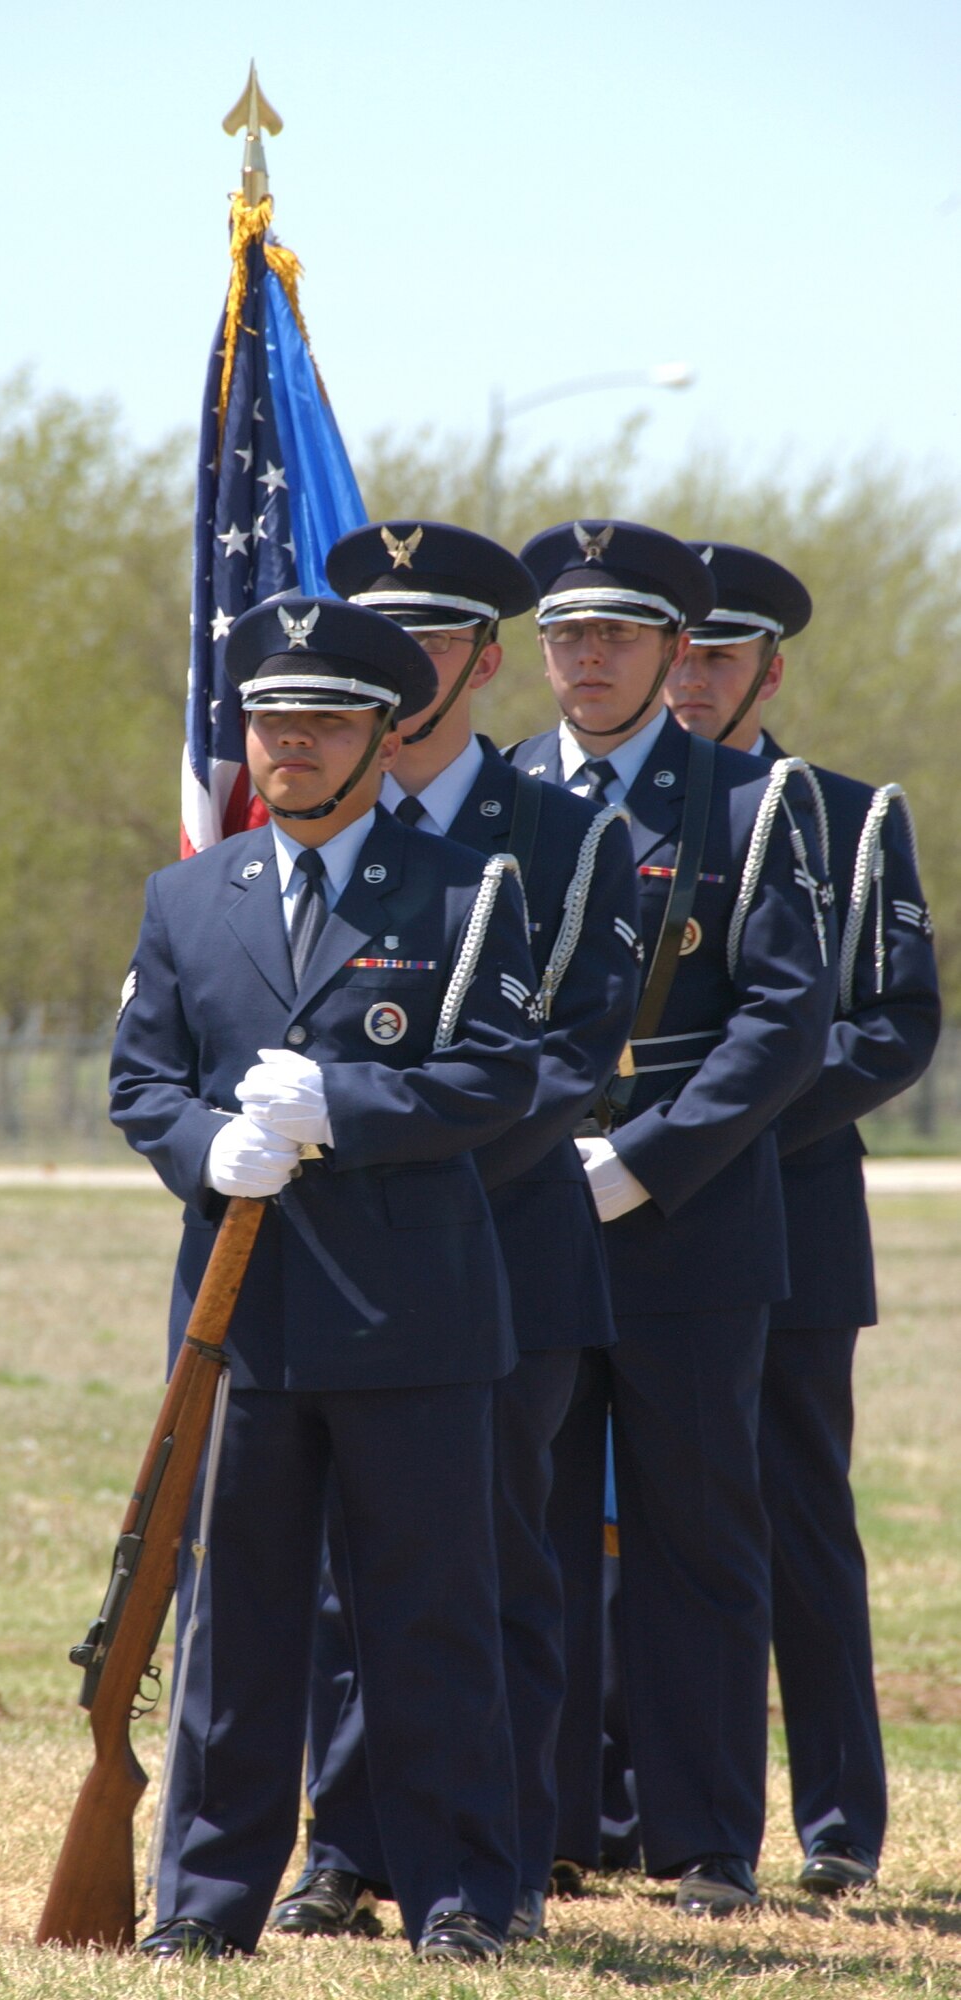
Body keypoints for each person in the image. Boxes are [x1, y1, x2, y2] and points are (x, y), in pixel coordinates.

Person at [111, 593, 544, 1964]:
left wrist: (344, 1106)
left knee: (430, 1621)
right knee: (233, 1625)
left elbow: (497, 1075)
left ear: (385, 732)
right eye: (267, 719)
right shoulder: (190, 896)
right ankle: (204, 1902)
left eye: (320, 721)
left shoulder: (469, 890)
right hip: (239, 1324)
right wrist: (207, 1146)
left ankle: (461, 1896)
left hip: (411, 1316)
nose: (286, 743)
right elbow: (140, 1081)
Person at [267, 520, 640, 1947]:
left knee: (484, 1572)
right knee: (333, 1583)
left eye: (432, 639)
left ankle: (499, 1859)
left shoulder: (562, 833)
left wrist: (393, 1162)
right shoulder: (313, 834)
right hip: (330, 1267)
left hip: (498, 1250)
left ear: (488, 661)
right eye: (375, 640)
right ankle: (342, 1849)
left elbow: (561, 1059)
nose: (401, 664)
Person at [507, 518, 837, 1916]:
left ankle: (706, 1843)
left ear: (671, 652)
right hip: (526, 1212)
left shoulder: (753, 806)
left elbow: (787, 1019)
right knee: (526, 1532)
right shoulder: (498, 793)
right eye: (567, 636)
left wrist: (640, 1160)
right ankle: (543, 1824)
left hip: (689, 1224)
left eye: (620, 635)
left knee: (699, 1537)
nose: (590, 659)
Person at [664, 541, 940, 1892]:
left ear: (769, 672)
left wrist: (729, 1118)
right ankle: (621, 1808)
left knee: (795, 1520)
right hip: (633, 1226)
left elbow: (894, 1028)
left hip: (789, 1224)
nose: (693, 679)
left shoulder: (845, 816)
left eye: (722, 657)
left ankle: (838, 1823)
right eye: (682, 651)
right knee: (626, 1526)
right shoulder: (599, 817)